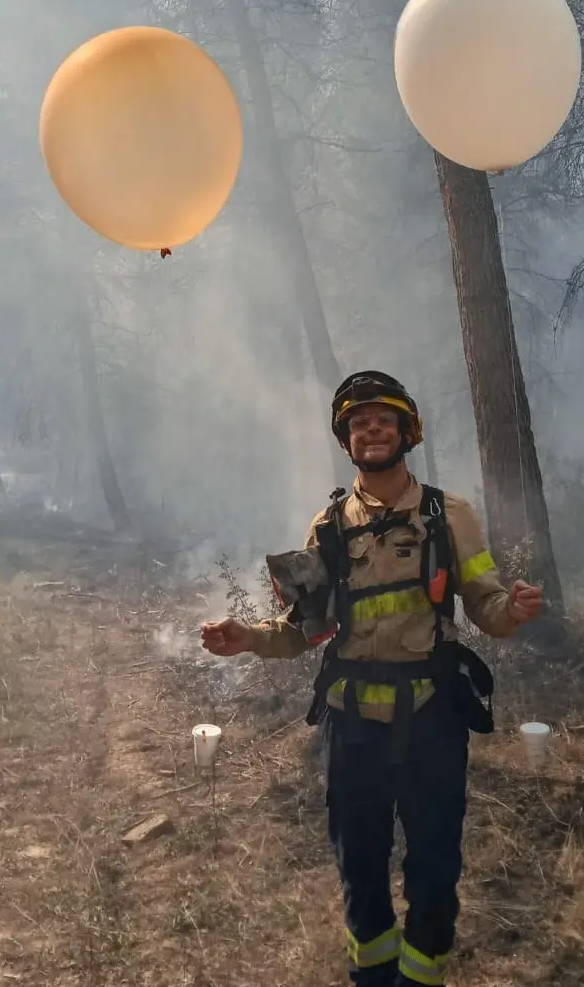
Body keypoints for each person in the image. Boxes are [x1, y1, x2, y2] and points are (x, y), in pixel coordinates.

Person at [200, 371, 545, 987]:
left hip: (433, 717)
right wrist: (248, 636)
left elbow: (487, 605)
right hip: (352, 722)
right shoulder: (327, 529)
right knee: (360, 867)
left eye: (384, 419)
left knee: (435, 869)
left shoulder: (450, 514)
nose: (372, 429)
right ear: (347, 440)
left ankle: (421, 977)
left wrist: (511, 611)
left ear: (407, 430)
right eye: (359, 423)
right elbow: (302, 630)